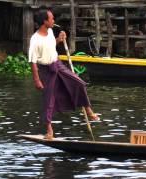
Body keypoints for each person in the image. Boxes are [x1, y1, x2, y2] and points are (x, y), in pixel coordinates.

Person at [28, 8, 99, 140]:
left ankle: (89, 110)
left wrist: (59, 39)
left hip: (58, 64)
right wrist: (36, 80)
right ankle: (49, 131)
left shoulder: (49, 32)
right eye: (51, 18)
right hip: (46, 70)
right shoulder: (35, 39)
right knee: (49, 100)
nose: (54, 20)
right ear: (45, 21)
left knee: (79, 83)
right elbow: (32, 61)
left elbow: (50, 46)